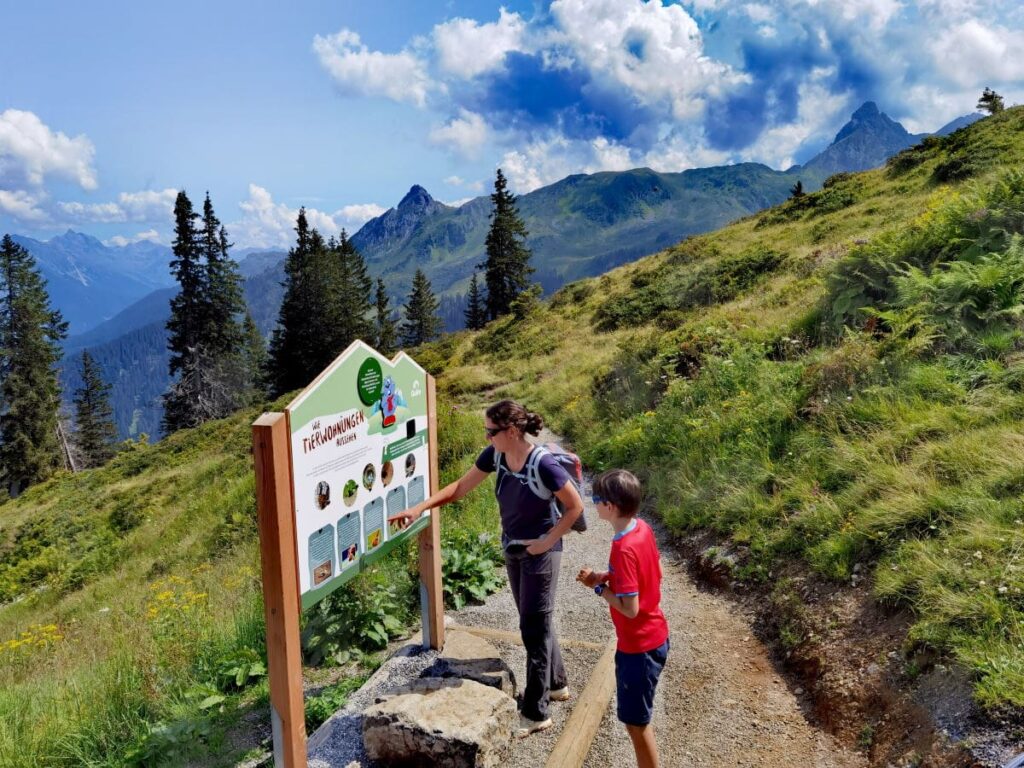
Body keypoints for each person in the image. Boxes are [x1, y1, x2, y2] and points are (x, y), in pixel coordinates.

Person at [389, 399, 583, 737]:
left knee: (533, 629)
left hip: (540, 552)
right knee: (534, 618)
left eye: (490, 431)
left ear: (511, 431)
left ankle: (537, 713)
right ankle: (556, 684)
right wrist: (419, 507)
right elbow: (460, 488)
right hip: (513, 546)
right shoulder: (496, 455)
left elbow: (574, 505)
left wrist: (548, 541)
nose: (486, 436)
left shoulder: (544, 464)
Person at [576, 469, 669, 768]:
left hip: (638, 647)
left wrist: (599, 587)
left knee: (636, 724)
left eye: (596, 499)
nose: (593, 503)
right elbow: (654, 572)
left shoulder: (622, 547)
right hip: (657, 635)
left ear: (611, 506)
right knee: (637, 719)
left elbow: (630, 608)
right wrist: (608, 576)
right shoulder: (641, 528)